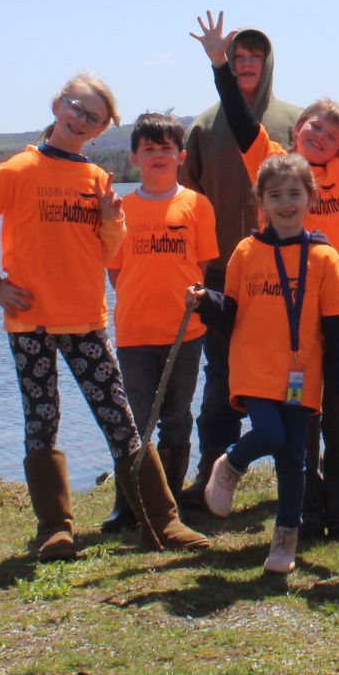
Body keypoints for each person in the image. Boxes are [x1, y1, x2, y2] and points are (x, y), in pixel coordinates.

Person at [192, 11, 339, 540]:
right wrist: (220, 66)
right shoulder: (273, 163)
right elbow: (237, 117)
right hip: (282, 321)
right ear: (297, 129)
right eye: (313, 125)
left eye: (332, 132)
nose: (320, 134)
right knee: (295, 424)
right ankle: (305, 508)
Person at [0, 75, 209, 559]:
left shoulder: (96, 179)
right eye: (75, 108)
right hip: (30, 322)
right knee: (41, 421)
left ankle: (161, 521)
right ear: (57, 106)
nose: (80, 120)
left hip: (86, 321)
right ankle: (55, 528)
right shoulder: (16, 169)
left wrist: (114, 220)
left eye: (93, 118)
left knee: (120, 422)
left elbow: (108, 250)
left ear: (99, 130)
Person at [193, 154, 339, 573]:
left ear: (311, 199)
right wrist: (205, 303)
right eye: (275, 196)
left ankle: (285, 540)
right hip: (254, 368)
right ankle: (231, 463)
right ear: (260, 203)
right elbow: (229, 315)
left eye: (294, 194)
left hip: (302, 375)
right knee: (268, 433)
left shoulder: (324, 258)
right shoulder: (246, 253)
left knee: (294, 459)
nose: (286, 203)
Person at [181, 25, 299, 508]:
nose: (247, 63)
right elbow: (186, 201)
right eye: (238, 56)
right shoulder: (204, 126)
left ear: (268, 61)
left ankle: (301, 476)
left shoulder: (294, 120)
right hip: (222, 275)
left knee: (296, 376)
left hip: (290, 275)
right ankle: (211, 473)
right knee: (221, 378)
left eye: (255, 55)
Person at [104, 112, 220, 534]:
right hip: (134, 332)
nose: (157, 156)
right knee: (132, 420)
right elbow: (115, 270)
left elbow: (201, 264)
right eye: (148, 149)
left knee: (176, 416)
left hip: (185, 334)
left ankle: (168, 503)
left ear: (180, 156)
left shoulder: (196, 205)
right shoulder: (123, 209)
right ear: (135, 157)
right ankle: (128, 503)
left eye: (165, 149)